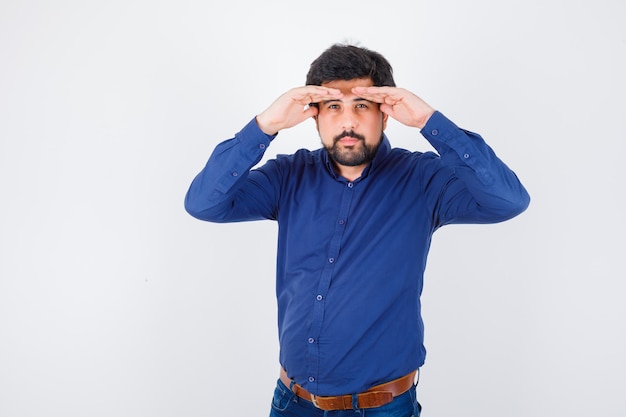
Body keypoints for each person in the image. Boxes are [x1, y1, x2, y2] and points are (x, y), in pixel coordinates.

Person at [184, 42, 530, 417]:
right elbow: (204, 203)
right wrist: (264, 126)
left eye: (361, 106)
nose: (347, 122)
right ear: (314, 116)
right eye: (334, 107)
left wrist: (431, 121)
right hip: (291, 402)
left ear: (385, 114)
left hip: (381, 408)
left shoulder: (422, 180)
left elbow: (508, 200)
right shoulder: (288, 176)